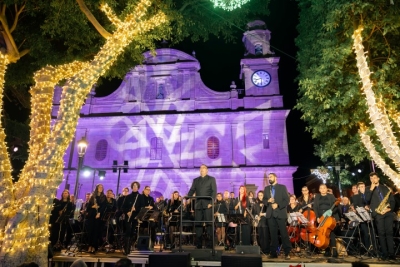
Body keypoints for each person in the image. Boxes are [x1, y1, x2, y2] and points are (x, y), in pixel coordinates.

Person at [187, 164, 217, 249]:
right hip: (198, 205)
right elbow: (192, 190)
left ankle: (210, 244)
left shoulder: (211, 179)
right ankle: (199, 244)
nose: (201, 170)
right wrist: (187, 197)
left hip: (207, 204)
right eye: (200, 168)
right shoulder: (196, 180)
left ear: (207, 170)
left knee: (209, 224)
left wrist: (211, 202)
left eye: (203, 168)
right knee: (198, 224)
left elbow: (214, 191)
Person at [263, 173, 291, 260]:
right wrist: (268, 200)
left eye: (271, 177)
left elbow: (287, 200)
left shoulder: (282, 187)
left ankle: (287, 253)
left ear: (276, 178)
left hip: (280, 213)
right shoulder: (267, 188)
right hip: (270, 214)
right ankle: (273, 253)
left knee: (284, 234)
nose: (269, 178)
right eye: (268, 177)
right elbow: (264, 200)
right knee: (273, 235)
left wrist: (278, 205)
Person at [368, 172, 395, 260]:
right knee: (381, 233)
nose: (373, 180)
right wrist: (371, 189)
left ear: (378, 178)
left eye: (375, 178)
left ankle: (391, 253)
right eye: (371, 178)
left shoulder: (385, 188)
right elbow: (366, 200)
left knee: (389, 233)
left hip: (388, 213)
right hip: (378, 214)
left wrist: (388, 209)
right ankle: (384, 253)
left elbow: (392, 200)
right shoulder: (369, 190)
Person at [313, 184, 339, 258]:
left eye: (324, 188)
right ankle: (327, 250)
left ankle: (334, 250)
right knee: (323, 233)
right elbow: (315, 207)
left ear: (326, 189)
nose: (323, 189)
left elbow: (336, 206)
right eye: (321, 188)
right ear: (319, 190)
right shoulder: (317, 197)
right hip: (321, 217)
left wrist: (331, 212)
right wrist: (317, 217)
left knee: (331, 232)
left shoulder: (331, 196)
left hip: (329, 216)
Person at [121, 181, 144, 255]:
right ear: (132, 187)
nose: (134, 187)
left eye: (136, 186)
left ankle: (130, 247)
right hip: (128, 216)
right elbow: (123, 207)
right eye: (133, 186)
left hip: (135, 216)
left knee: (132, 232)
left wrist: (136, 209)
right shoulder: (128, 197)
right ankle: (126, 249)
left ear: (138, 187)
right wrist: (127, 211)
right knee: (127, 231)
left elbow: (142, 207)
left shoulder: (140, 197)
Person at [351, 181, 372, 252]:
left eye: (362, 187)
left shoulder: (364, 194)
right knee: (362, 233)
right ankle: (364, 248)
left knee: (368, 233)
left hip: (367, 215)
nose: (360, 188)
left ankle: (370, 248)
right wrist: (354, 209)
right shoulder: (354, 197)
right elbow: (356, 205)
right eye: (359, 187)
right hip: (360, 216)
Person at [86, 184, 106, 254]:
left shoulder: (104, 197)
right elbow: (88, 207)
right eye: (99, 187)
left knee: (96, 232)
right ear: (97, 188)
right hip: (92, 216)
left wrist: (99, 213)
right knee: (90, 231)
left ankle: (94, 246)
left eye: (102, 187)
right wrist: (93, 206)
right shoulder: (92, 197)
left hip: (98, 216)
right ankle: (89, 246)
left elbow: (104, 207)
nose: (101, 188)